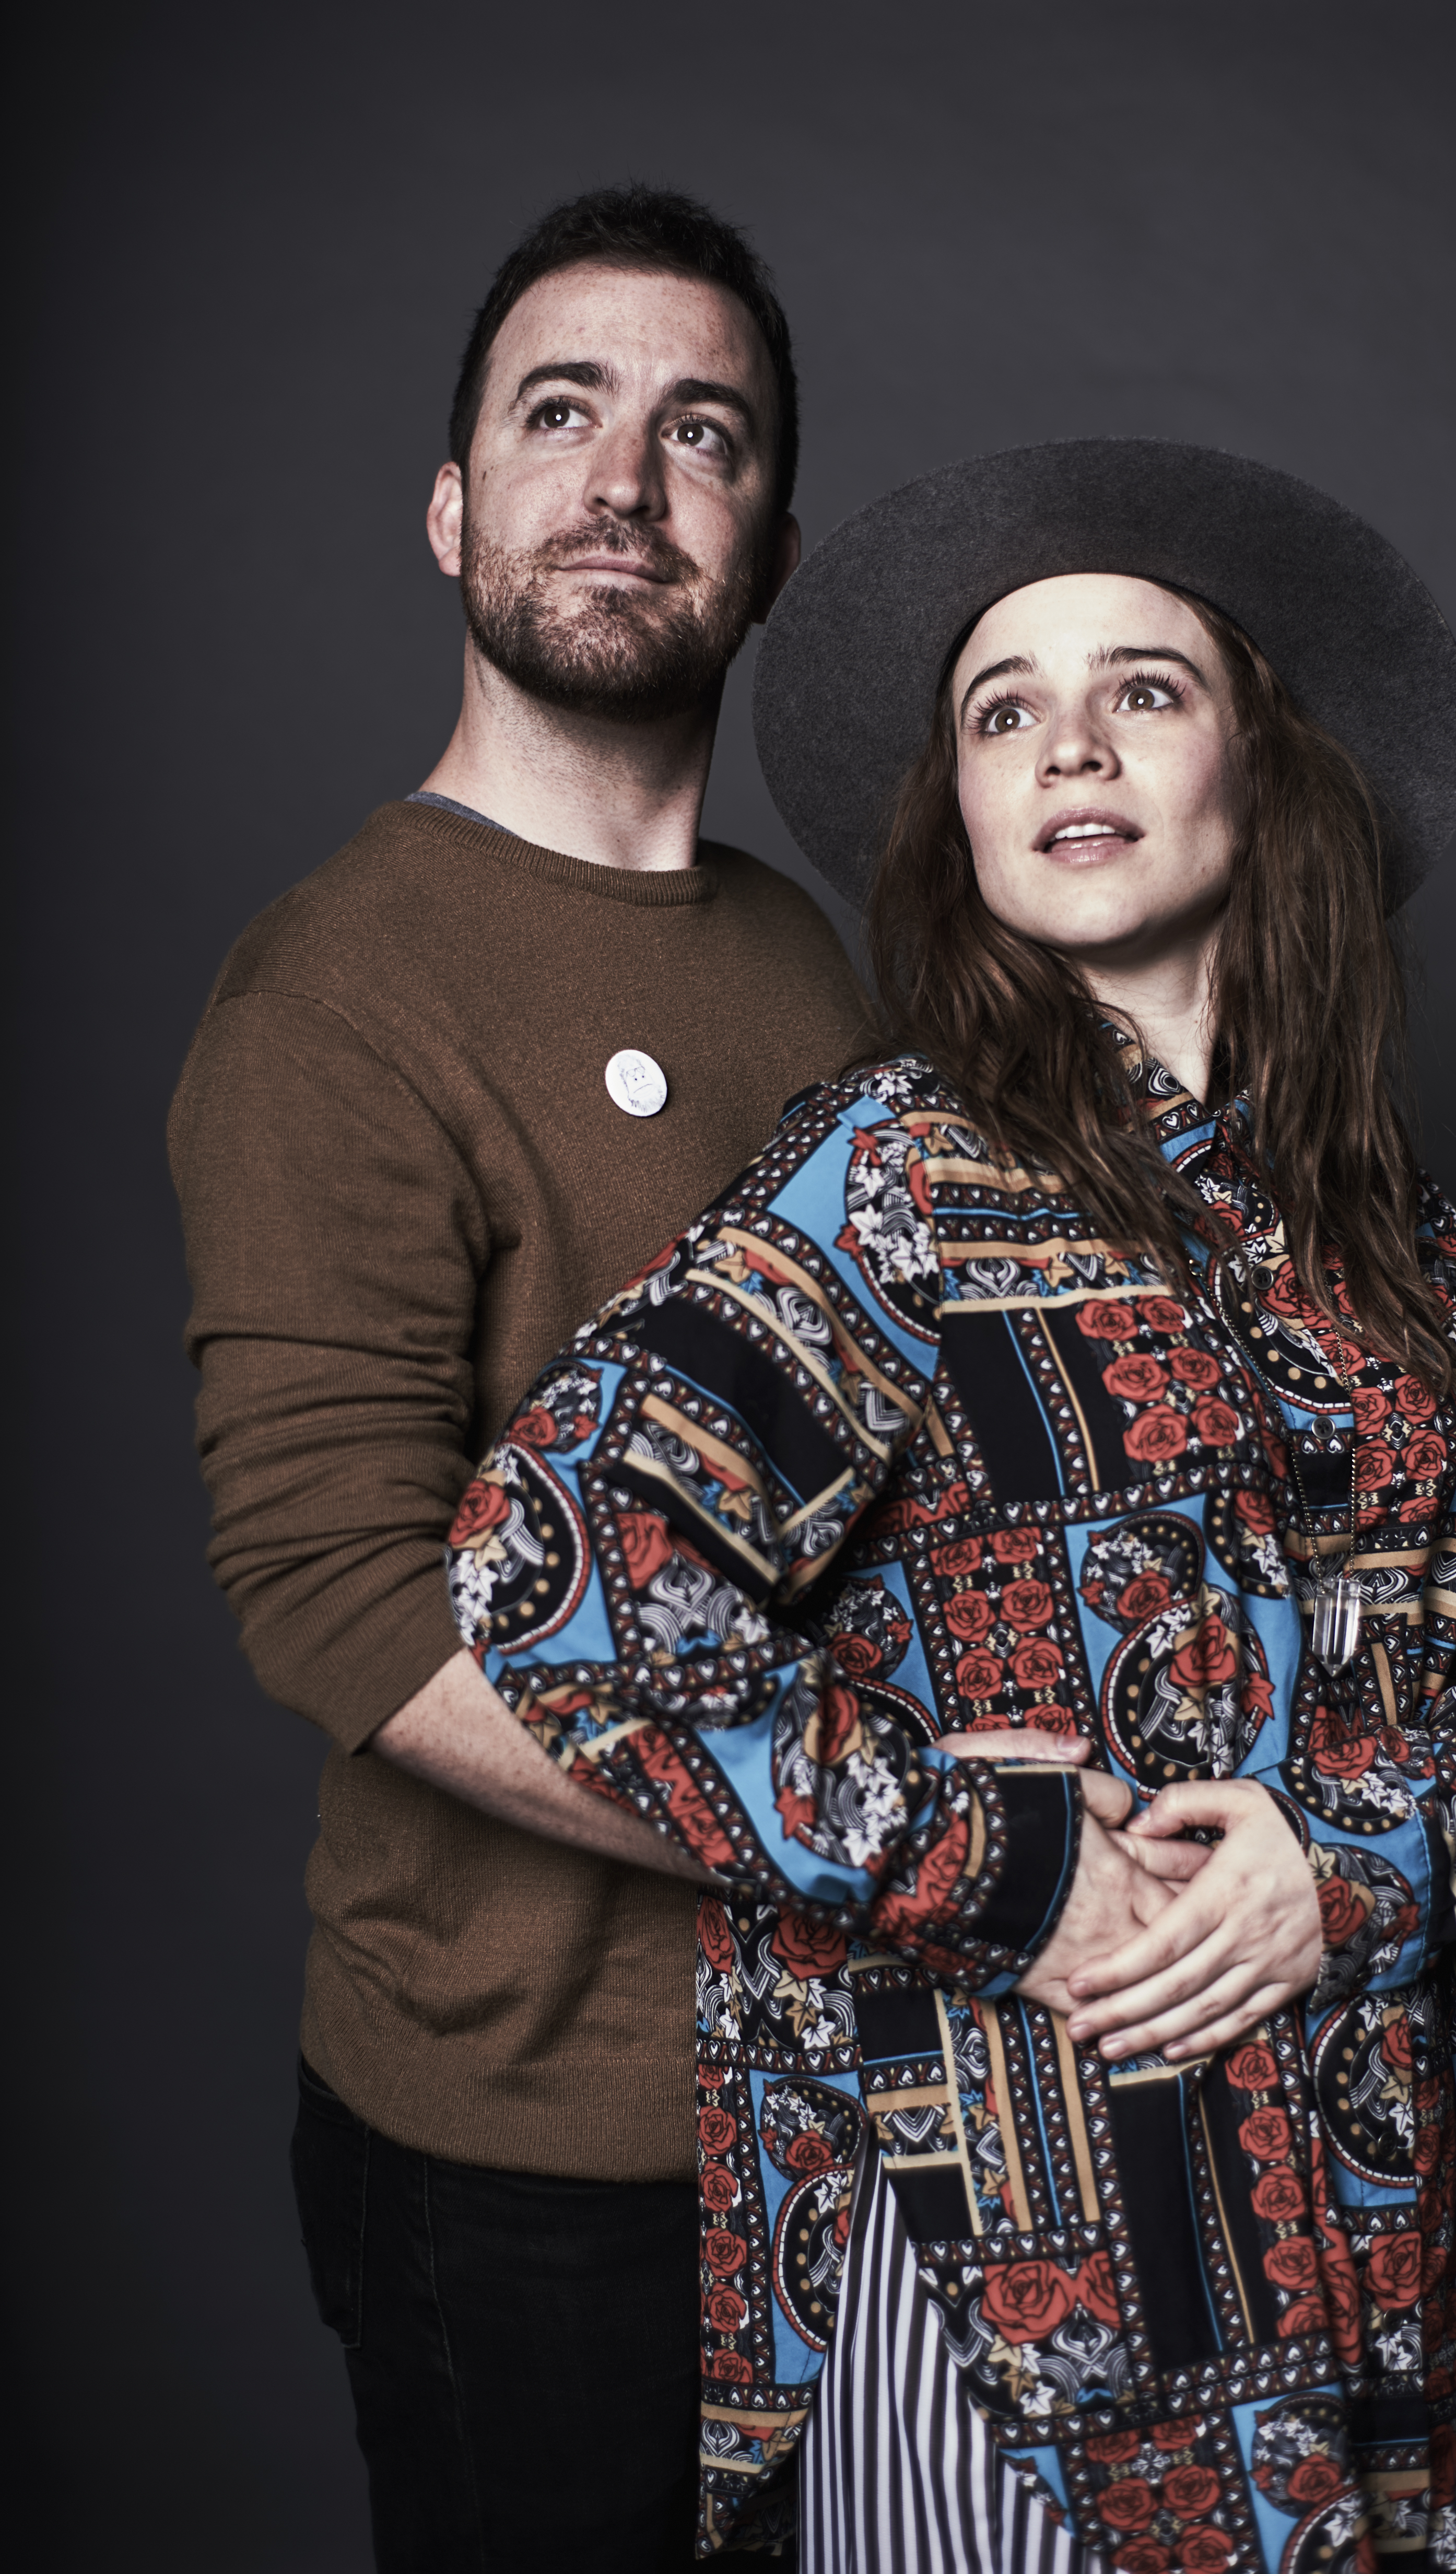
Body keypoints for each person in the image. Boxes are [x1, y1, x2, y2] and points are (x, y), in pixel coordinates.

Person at [447, 441, 1456, 2571]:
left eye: (1142, 689)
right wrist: (978, 1848)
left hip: (1377, 2222)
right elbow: (559, 1561)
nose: (1068, 741)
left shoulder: (1390, 1243)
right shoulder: (896, 1182)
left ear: (1263, 768)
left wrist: (1342, 1860)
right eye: (1004, 709)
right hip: (1029, 2230)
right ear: (963, 812)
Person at [169, 185, 871, 2571]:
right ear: (457, 504)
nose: (626, 476)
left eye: (705, 432)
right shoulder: (337, 988)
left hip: (864, 2121)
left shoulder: (825, 972)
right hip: (526, 2160)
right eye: (558, 411)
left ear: (767, 545)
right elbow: (344, 1603)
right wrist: (899, 1843)